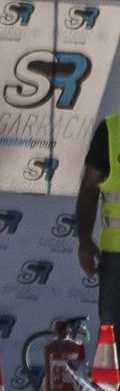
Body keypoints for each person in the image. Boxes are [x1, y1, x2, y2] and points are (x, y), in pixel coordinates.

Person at [78, 108, 120, 329]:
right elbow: (89, 190)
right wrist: (85, 240)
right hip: (116, 258)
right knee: (112, 343)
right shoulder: (112, 129)